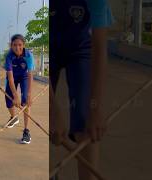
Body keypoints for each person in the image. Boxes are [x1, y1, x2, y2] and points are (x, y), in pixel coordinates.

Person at [51, 0, 113, 179]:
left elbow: (100, 49)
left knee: (86, 123)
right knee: (45, 119)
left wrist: (95, 107)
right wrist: (51, 109)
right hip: (49, 49)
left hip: (80, 49)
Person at [4, 34, 35, 144]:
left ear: (24, 45)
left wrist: (29, 95)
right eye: (15, 45)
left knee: (26, 100)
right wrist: (15, 95)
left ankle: (26, 131)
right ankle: (14, 117)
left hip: (24, 76)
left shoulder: (28, 56)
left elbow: (30, 75)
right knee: (8, 101)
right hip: (12, 78)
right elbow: (10, 77)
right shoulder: (9, 56)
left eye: (20, 45)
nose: (17, 48)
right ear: (11, 46)